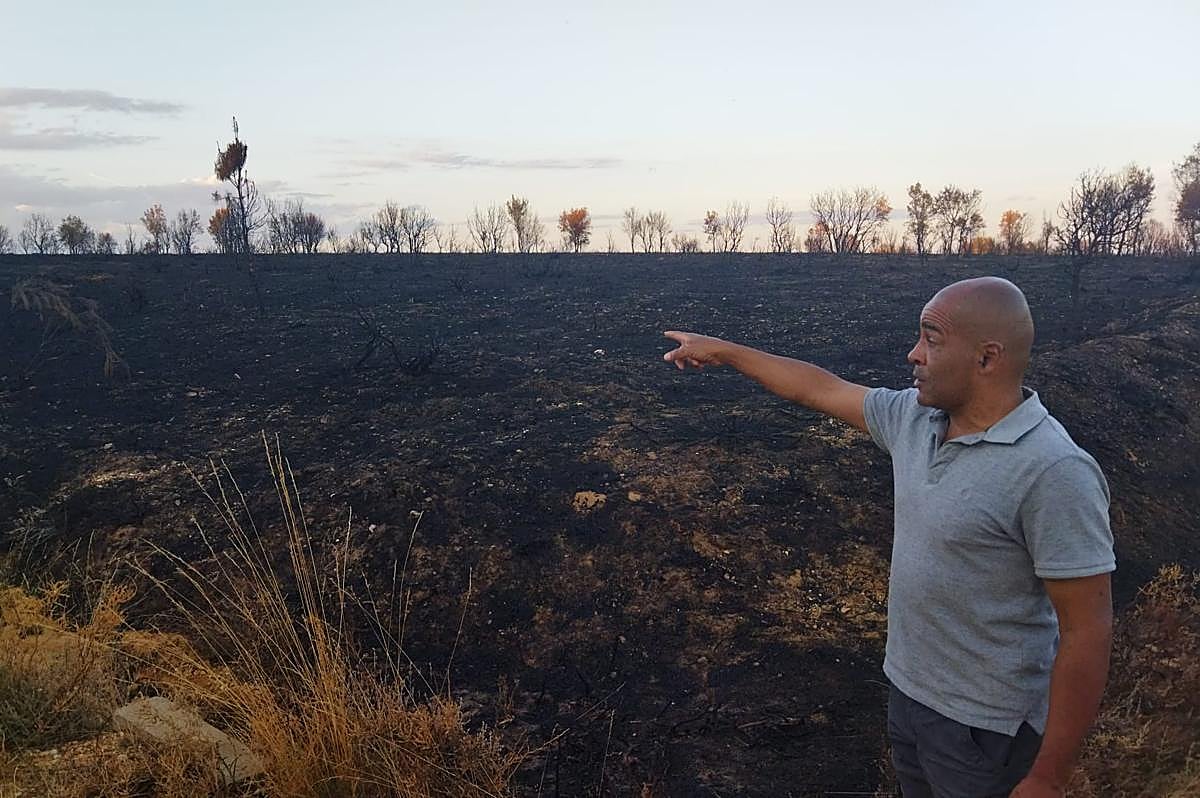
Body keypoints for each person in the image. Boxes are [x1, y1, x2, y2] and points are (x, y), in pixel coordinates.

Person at [662, 277, 1114, 798]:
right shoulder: (914, 419)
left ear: (987, 358)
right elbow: (820, 387)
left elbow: (1087, 631)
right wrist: (725, 351)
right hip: (908, 696)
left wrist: (1047, 778)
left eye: (931, 340)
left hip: (987, 729)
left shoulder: (1053, 471)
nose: (913, 354)